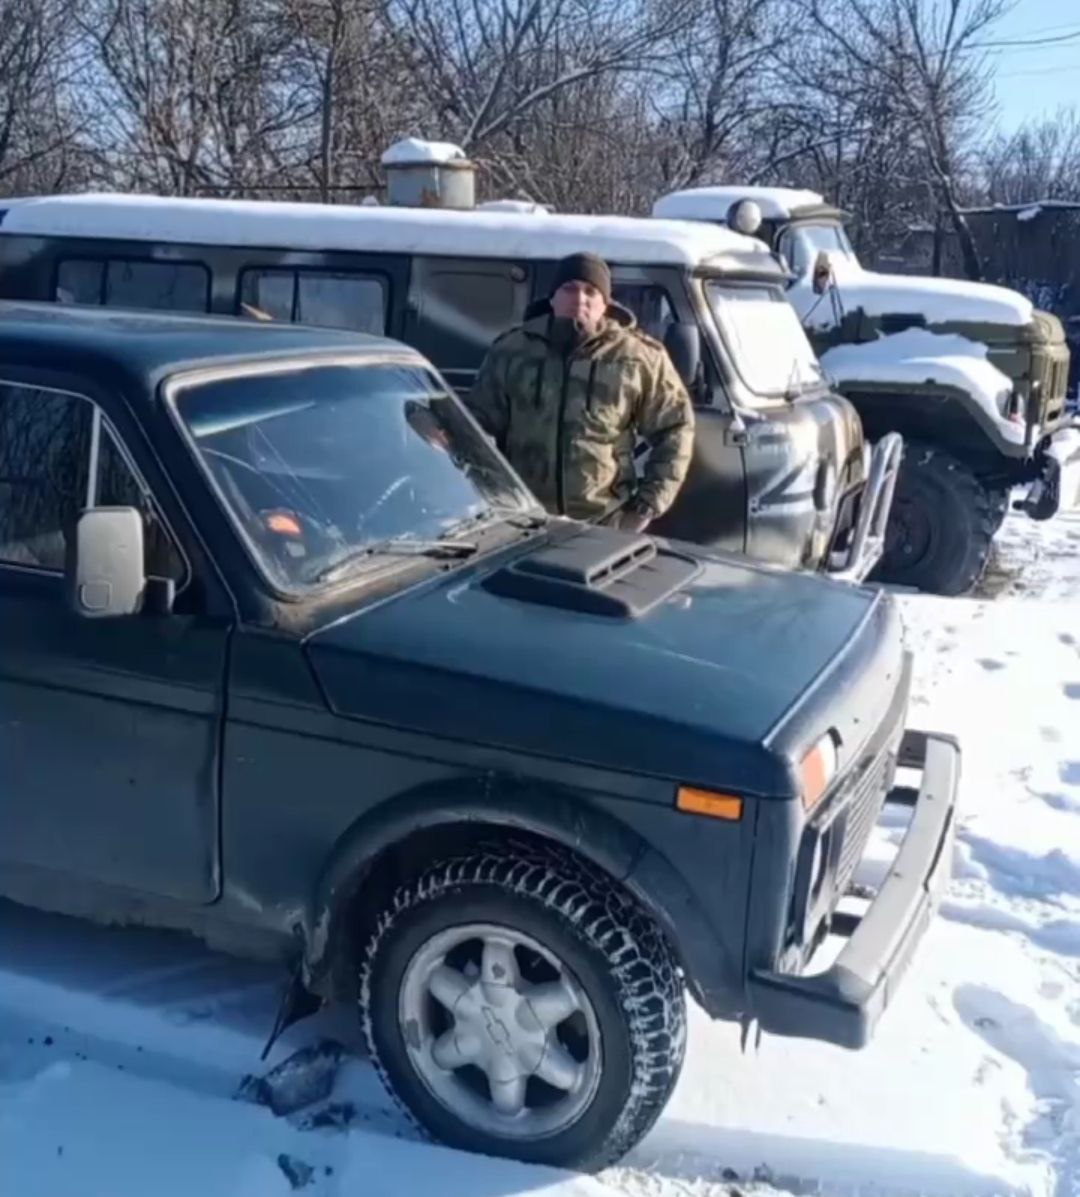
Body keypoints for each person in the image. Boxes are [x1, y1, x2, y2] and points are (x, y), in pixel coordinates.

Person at [465, 252, 695, 532]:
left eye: (590, 291)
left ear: (605, 303)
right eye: (569, 288)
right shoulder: (512, 351)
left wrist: (648, 505)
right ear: (553, 298)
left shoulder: (637, 358)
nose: (580, 298)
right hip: (525, 521)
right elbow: (476, 426)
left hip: (606, 520)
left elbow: (675, 428)